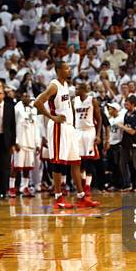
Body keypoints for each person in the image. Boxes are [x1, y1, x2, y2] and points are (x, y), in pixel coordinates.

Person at [34, 60, 99, 209]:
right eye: (66, 68)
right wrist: (52, 117)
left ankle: (81, 197)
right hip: (58, 126)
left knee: (76, 162)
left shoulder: (65, 85)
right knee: (58, 163)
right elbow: (37, 102)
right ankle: (58, 198)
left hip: (70, 128)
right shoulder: (54, 85)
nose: (69, 70)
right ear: (58, 70)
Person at [74, 81, 102, 196]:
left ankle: (87, 186)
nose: (75, 91)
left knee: (89, 160)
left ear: (84, 90)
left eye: (77, 89)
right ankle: (83, 182)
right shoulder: (74, 101)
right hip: (78, 131)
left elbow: (99, 119)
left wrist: (98, 135)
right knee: (79, 161)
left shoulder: (92, 100)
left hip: (89, 131)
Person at [9, 91, 37, 197]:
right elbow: (13, 126)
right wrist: (15, 141)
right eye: (25, 96)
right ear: (21, 97)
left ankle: (24, 187)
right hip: (20, 142)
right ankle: (11, 187)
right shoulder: (16, 109)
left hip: (30, 142)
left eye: (28, 96)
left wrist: (37, 143)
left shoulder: (33, 110)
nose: (27, 98)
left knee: (27, 167)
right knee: (16, 167)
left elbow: (36, 127)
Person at [118, 95, 136, 192]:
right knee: (122, 163)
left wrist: (122, 126)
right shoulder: (126, 114)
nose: (125, 104)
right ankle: (127, 184)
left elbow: (133, 131)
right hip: (126, 143)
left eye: (127, 103)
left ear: (133, 104)